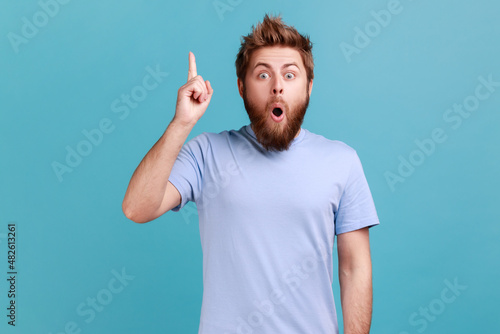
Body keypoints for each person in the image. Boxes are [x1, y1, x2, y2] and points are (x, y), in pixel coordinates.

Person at [122, 13, 379, 334]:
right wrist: (182, 123)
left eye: (289, 75)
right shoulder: (207, 153)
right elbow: (137, 208)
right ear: (242, 88)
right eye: (262, 75)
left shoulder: (342, 161)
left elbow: (354, 269)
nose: (277, 88)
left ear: (309, 87)